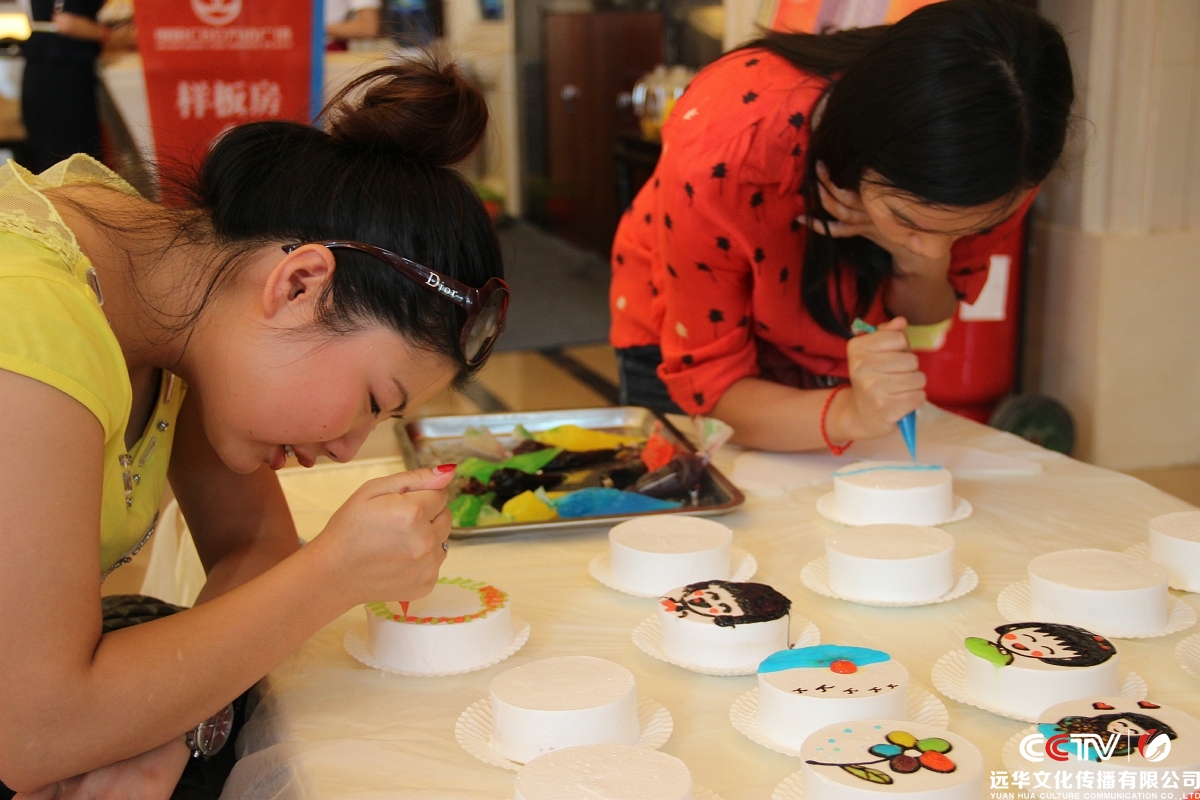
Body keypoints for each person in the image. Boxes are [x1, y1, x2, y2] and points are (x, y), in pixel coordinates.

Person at [0, 58, 506, 798]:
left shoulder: (180, 289)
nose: (347, 448)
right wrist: (333, 572)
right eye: (373, 399)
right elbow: (33, 732)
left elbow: (255, 543)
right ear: (299, 284)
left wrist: (159, 724)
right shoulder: (32, 330)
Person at [609, 0, 1073, 453]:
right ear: (853, 152)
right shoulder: (727, 147)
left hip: (829, 361)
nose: (935, 249)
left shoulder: (1006, 158)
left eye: (960, 233)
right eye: (908, 219)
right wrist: (851, 412)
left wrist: (911, 257)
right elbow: (714, 390)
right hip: (691, 346)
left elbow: (928, 310)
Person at [20, 0, 132, 172]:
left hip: (41, 66)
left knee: (50, 158)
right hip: (64, 71)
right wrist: (111, 35)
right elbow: (67, 22)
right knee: (73, 158)